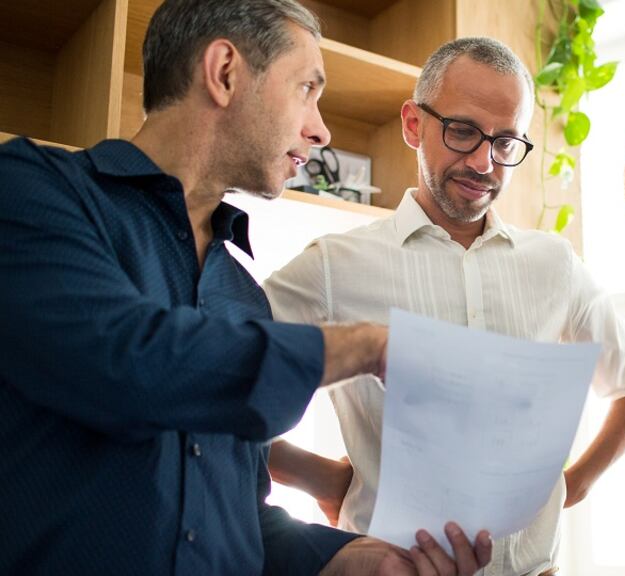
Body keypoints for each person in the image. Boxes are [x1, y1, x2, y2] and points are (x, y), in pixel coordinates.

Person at [0, 1, 489, 574]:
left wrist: (344, 559)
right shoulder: (33, 191)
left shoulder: (243, 294)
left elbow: (237, 517)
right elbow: (130, 363)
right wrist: (367, 346)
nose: (321, 129)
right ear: (225, 72)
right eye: (307, 87)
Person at [262, 37, 625, 576]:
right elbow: (213, 375)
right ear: (414, 124)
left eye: (507, 141)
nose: (483, 162)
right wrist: (316, 475)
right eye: (464, 131)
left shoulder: (554, 265)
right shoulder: (334, 266)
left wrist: (570, 486)